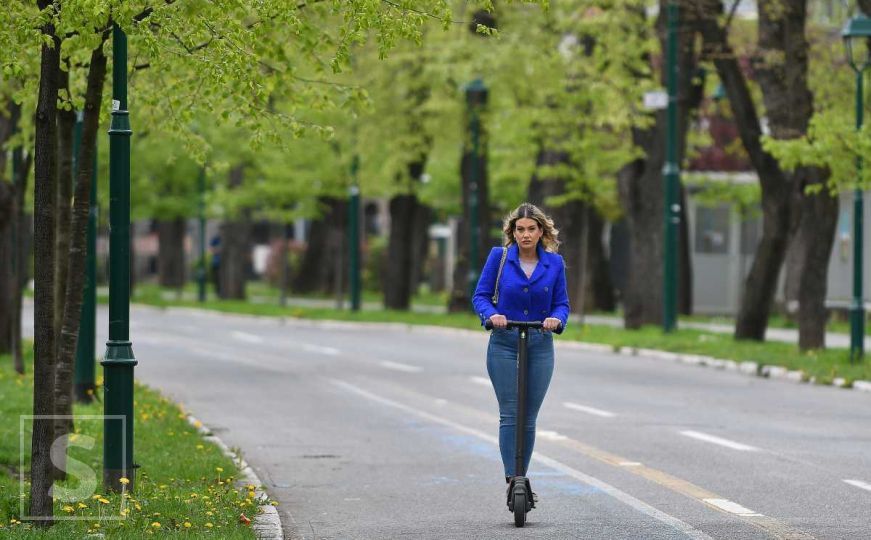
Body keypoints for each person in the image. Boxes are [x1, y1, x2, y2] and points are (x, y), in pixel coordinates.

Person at [471, 202, 570, 506]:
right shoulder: (499, 258)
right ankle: (513, 479)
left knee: (528, 418)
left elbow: (562, 304)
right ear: (512, 232)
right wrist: (492, 315)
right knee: (510, 413)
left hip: (540, 343)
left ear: (541, 231)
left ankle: (521, 477)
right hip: (504, 342)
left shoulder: (554, 263)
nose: (525, 235)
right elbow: (481, 296)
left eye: (531, 229)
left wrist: (557, 320)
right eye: (520, 229)